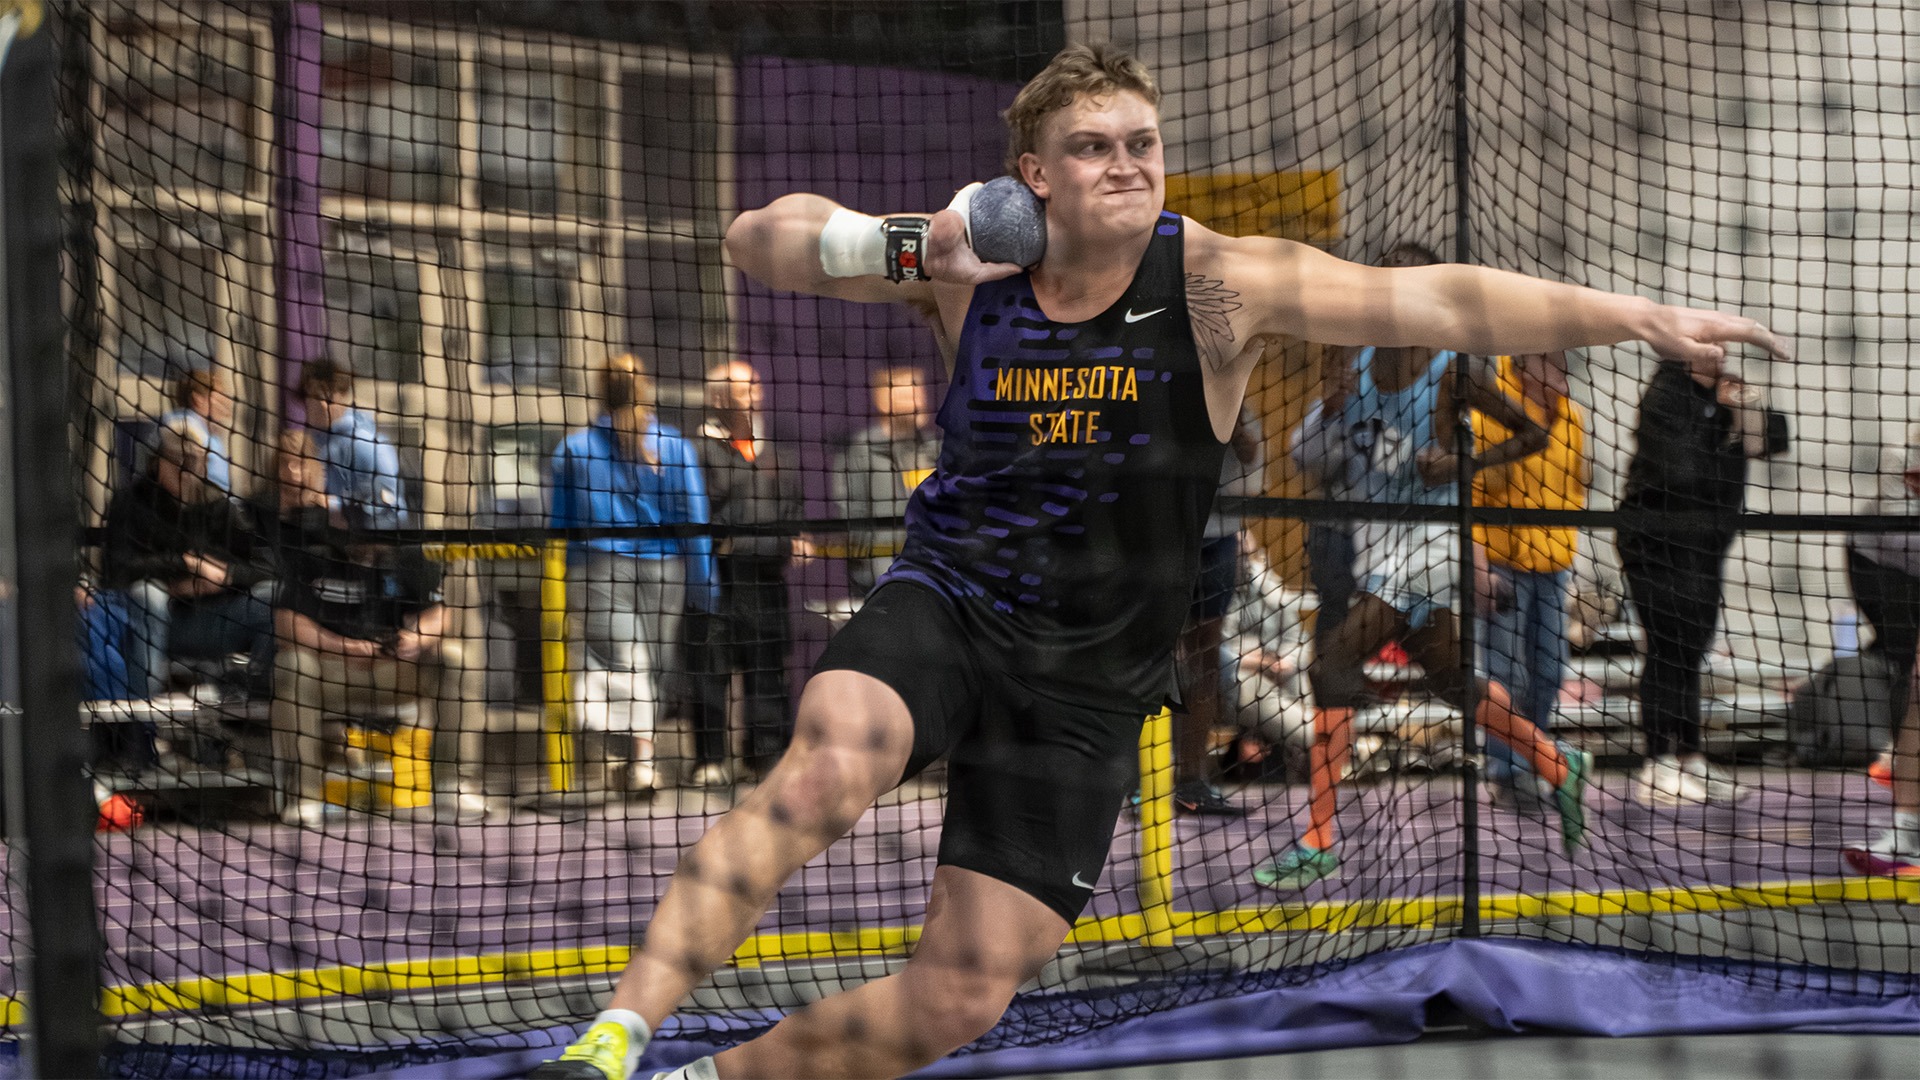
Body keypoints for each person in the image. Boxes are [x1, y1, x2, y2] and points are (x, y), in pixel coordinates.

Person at [532, 43, 1788, 1080]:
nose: (1127, 163)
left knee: (961, 996)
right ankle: (613, 1041)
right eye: (1093, 147)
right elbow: (757, 236)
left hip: (1090, 676)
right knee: (825, 769)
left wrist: (1639, 317)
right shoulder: (973, 269)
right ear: (1034, 175)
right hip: (952, 601)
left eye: (1142, 141)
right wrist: (912, 244)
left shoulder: (1218, 285)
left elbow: (1448, 304)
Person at [1251, 243, 1596, 891]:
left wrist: (1463, 464)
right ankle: (1557, 764)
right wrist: (1330, 408)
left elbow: (1533, 434)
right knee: (1452, 681)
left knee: (1332, 662)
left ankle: (1318, 842)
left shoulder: (1451, 372)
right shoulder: (1349, 361)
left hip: (1432, 546)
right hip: (1376, 546)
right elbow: (1310, 458)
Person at [1615, 353, 1788, 806]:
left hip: (1703, 546)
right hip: (1655, 541)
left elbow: (1772, 440)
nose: (1720, 350)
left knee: (1692, 651)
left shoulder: (1724, 394)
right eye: (1708, 341)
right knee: (1666, 647)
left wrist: (1744, 405)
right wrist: (1723, 427)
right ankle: (1657, 764)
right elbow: (1681, 470)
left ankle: (1690, 757)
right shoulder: (1667, 394)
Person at [268, 489, 490, 828]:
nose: (374, 537)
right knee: (291, 666)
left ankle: (452, 786)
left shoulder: (408, 555)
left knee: (453, 659)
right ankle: (304, 796)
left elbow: (440, 614)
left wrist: (416, 638)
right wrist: (345, 647)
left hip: (395, 671)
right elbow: (287, 623)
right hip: (332, 670)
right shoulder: (312, 552)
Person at [550, 354, 715, 794]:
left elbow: (560, 527)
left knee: (625, 664)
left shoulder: (573, 450)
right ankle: (639, 761)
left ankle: (632, 758)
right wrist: (704, 586)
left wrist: (569, 584)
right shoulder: (674, 446)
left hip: (600, 569)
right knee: (647, 666)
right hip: (665, 570)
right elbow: (694, 519)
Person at [1473, 351, 1588, 811]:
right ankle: (1506, 772)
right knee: (1504, 674)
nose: (1562, 372)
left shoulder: (1571, 418)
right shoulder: (1491, 410)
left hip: (1553, 567)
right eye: (1552, 363)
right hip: (1503, 563)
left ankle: (1534, 757)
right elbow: (1472, 495)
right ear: (1525, 365)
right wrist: (1480, 569)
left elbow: (1574, 489)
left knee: (1550, 669)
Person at [687, 361, 809, 785]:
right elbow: (706, 515)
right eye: (745, 388)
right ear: (719, 398)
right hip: (717, 581)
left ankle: (766, 755)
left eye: (756, 386)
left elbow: (793, 513)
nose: (755, 393)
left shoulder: (777, 454)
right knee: (710, 671)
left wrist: (791, 540)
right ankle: (709, 760)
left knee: (768, 670)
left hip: (767, 582)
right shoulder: (698, 453)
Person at [102, 423, 275, 698]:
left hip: (215, 617)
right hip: (160, 621)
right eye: (177, 461)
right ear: (157, 462)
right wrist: (186, 566)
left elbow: (266, 568)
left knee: (274, 596)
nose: (186, 470)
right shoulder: (131, 502)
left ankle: (249, 694)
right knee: (149, 594)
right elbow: (117, 569)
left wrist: (226, 577)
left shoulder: (217, 504)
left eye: (194, 461)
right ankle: (143, 710)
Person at [1169, 404, 1263, 815]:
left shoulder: (1237, 398)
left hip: (1218, 536)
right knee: (1158, 660)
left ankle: (1191, 781)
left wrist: (1238, 430)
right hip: (1167, 538)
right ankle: (1142, 781)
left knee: (1206, 661)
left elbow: (1254, 474)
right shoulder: (1164, 390)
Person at [1845, 436, 1920, 795]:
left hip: (1912, 566)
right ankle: (1896, 754)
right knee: (1905, 654)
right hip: (1877, 562)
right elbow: (1897, 534)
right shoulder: (1901, 456)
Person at [832, 364, 940, 599]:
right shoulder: (862, 452)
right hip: (883, 580)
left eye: (919, 393)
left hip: (933, 575)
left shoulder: (934, 449)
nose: (917, 402)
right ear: (883, 401)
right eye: (907, 395)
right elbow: (854, 518)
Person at [299, 358, 409, 529]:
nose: (321, 404)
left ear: (343, 396)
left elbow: (392, 508)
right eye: (314, 396)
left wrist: (334, 506)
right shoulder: (305, 443)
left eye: (329, 396)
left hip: (362, 541)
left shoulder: (365, 444)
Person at [156, 367, 236, 494]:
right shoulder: (185, 425)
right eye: (219, 398)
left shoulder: (208, 433)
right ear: (198, 399)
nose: (225, 403)